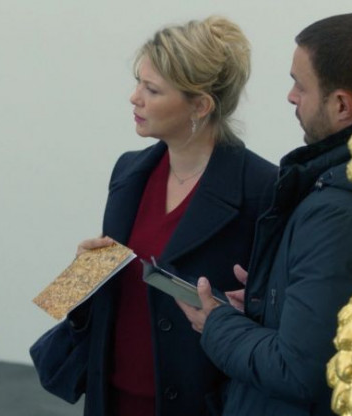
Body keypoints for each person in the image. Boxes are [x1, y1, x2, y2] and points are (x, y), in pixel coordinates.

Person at [31, 16, 277, 416]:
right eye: (138, 83)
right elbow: (113, 292)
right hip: (111, 396)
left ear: (200, 105)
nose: (134, 97)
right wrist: (82, 276)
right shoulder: (129, 171)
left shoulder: (262, 188)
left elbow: (275, 317)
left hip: (201, 405)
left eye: (152, 89)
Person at [177, 12, 352, 416]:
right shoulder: (327, 186)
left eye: (301, 84)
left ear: (341, 105)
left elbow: (297, 370)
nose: (291, 96)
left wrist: (216, 322)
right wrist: (269, 303)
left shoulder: (332, 210)